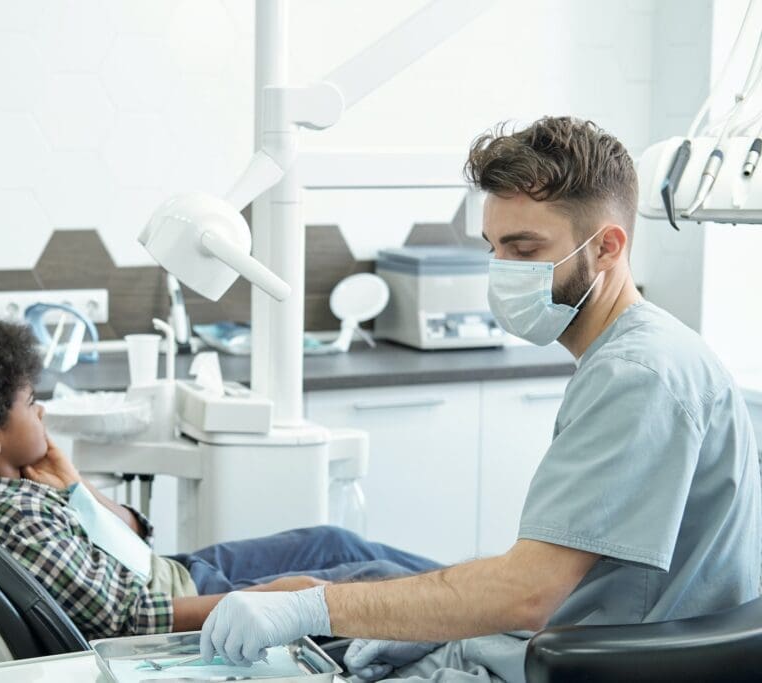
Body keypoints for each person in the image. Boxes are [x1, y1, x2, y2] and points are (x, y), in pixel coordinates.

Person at [194, 116, 762, 683]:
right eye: (494, 248)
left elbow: (526, 594)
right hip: (557, 644)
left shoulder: (637, 375)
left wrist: (311, 608)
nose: (502, 271)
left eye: (525, 248)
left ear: (608, 247)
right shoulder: (640, 350)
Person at [0, 309, 441, 641]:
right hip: (178, 600)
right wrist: (281, 599)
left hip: (171, 573)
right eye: (31, 403)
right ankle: (498, 617)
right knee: (370, 576)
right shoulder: (21, 523)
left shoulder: (23, 482)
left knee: (333, 540)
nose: (43, 411)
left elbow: (132, 534)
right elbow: (133, 619)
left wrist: (75, 486)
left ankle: (486, 598)